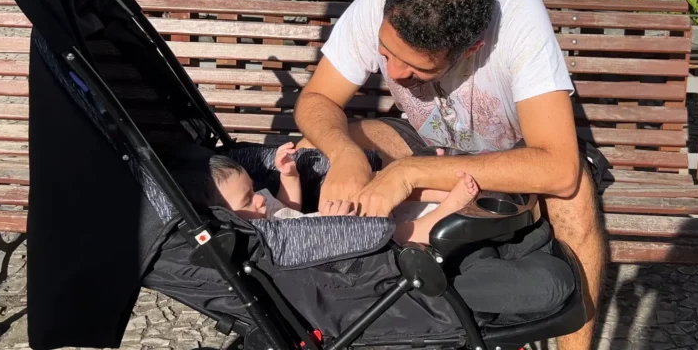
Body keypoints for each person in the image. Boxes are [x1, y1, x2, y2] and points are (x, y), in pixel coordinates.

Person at [291, 0, 605, 350]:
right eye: (386, 53)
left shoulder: (518, 19)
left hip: (511, 156)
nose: (395, 72)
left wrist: (409, 173)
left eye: (417, 69)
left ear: (471, 48)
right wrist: (345, 154)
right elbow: (318, 99)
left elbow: (558, 168)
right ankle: (340, 318)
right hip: (424, 142)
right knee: (312, 149)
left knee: (574, 198)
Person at [177, 146, 480, 246]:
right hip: (331, 243)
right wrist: (334, 225)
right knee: (396, 233)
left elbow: (290, 208)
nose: (259, 199)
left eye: (253, 190)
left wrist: (289, 175)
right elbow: (306, 240)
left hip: (327, 221)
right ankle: (447, 211)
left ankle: (442, 190)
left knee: (373, 191)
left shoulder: (259, 207)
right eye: (247, 201)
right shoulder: (257, 237)